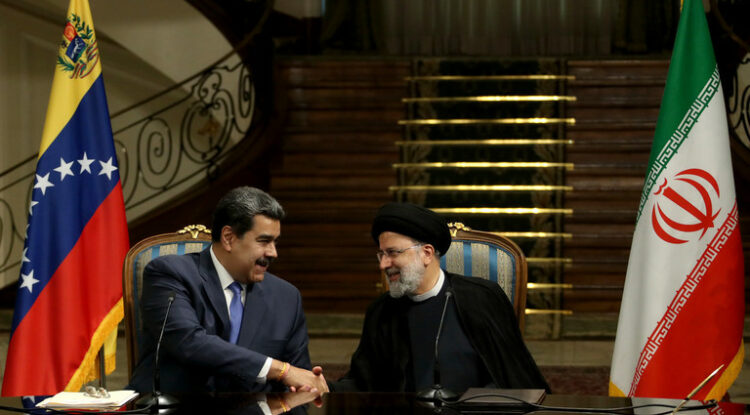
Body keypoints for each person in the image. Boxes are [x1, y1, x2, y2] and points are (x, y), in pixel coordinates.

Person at [332, 202, 549, 393]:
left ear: (426, 253)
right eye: (381, 254)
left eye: (392, 253)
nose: (383, 264)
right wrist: (326, 388)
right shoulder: (381, 311)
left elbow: (513, 378)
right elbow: (365, 384)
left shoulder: (482, 298)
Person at [129, 187, 328, 395]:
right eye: (264, 241)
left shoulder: (286, 297)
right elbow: (189, 343)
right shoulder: (170, 273)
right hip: (175, 405)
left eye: (275, 242)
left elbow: (299, 380)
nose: (273, 253)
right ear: (228, 238)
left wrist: (305, 385)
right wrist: (280, 370)